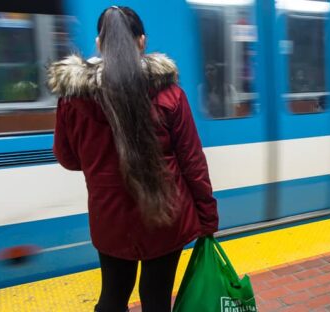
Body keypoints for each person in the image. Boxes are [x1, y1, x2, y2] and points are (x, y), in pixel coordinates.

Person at [48, 6, 218, 312]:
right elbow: (192, 161)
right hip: (165, 215)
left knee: (112, 297)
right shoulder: (170, 94)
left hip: (110, 218)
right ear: (142, 41)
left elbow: (68, 159)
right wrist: (207, 217)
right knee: (156, 299)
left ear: (99, 44)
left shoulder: (73, 99)